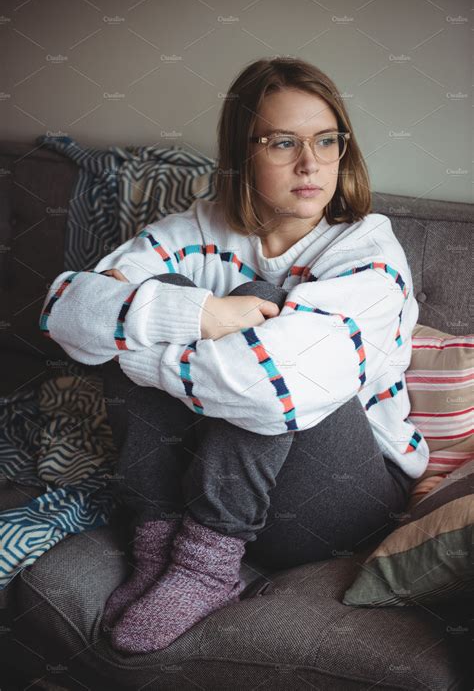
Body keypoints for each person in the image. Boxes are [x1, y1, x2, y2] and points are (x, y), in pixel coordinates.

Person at [39, 57, 429, 654]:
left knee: (252, 302)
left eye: (327, 141)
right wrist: (196, 316)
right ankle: (158, 544)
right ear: (242, 152)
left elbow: (272, 390)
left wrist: (133, 348)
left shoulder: (369, 255)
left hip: (345, 501)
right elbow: (64, 309)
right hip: (207, 478)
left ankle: (207, 566)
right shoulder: (199, 227)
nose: (311, 164)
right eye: (282, 143)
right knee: (162, 300)